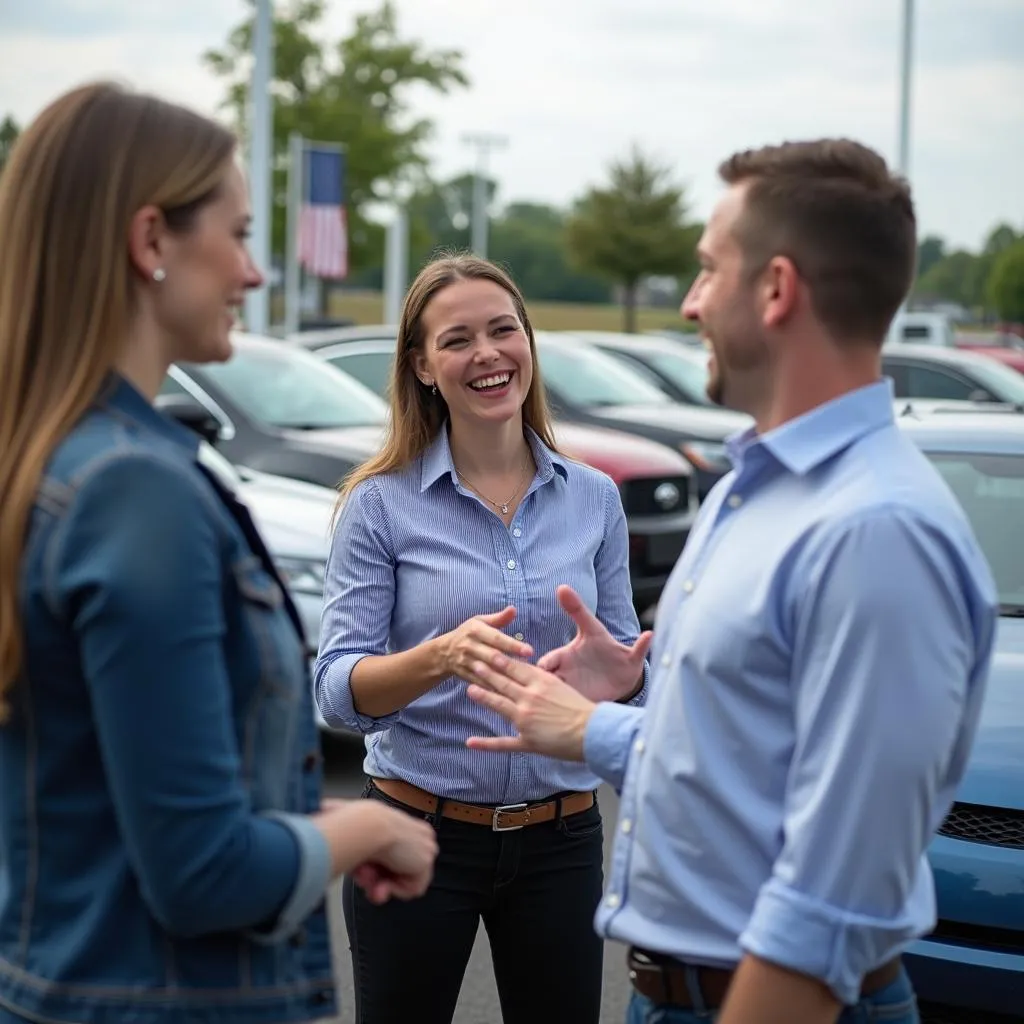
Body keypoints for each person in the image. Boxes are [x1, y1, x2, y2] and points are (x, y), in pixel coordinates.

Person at [462, 139, 999, 1024]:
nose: (689, 301)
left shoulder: (875, 530)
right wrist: (608, 720)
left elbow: (833, 900)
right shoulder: (755, 490)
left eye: (710, 270)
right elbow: (742, 778)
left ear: (777, 289)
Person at [0, 82, 438, 1024]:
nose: (254, 273)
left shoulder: (52, 462)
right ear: (151, 240)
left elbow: (112, 821)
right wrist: (365, 826)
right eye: (238, 235)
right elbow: (201, 873)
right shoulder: (132, 489)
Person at [314, 253, 652, 1024]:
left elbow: (627, 668)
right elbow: (337, 690)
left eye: (504, 330)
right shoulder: (378, 505)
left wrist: (625, 681)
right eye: (458, 339)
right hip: (414, 832)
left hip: (562, 838)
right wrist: (440, 656)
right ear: (423, 366)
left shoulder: (595, 498)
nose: (488, 354)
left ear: (529, 343)